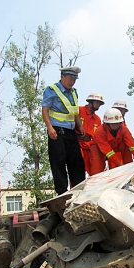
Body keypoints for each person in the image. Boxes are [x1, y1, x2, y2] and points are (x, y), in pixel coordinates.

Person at [41, 66, 86, 195]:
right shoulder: (51, 91)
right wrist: (49, 128)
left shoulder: (73, 92)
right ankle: (62, 193)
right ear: (62, 77)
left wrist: (80, 126)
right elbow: (45, 110)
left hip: (71, 131)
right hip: (57, 131)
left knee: (77, 162)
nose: (72, 82)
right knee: (58, 163)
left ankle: (79, 191)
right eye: (70, 78)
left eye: (74, 79)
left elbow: (75, 111)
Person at [91, 108, 134, 175]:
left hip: (115, 147)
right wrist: (119, 164)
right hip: (99, 149)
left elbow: (132, 144)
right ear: (107, 124)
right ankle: (96, 182)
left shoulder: (124, 129)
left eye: (117, 123)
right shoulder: (100, 132)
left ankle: (129, 171)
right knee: (97, 165)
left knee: (126, 146)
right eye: (113, 123)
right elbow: (108, 151)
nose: (116, 125)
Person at [77, 92, 104, 176]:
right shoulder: (79, 111)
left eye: (100, 104)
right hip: (77, 145)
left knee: (94, 172)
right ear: (90, 101)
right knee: (76, 171)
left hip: (89, 147)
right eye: (97, 103)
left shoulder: (97, 119)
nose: (98, 105)